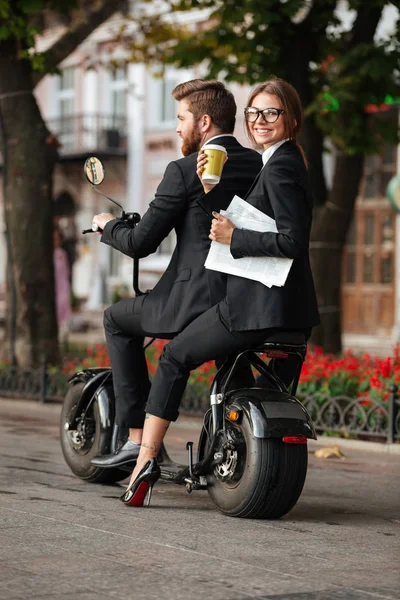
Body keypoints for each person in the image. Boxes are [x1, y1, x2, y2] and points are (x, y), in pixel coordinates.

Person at [119, 76, 320, 507]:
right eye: (254, 112)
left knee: (174, 356)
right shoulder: (276, 160)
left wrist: (234, 238)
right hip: (290, 311)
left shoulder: (282, 164)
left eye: (271, 112)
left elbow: (290, 240)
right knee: (235, 377)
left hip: (257, 307)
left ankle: (144, 461)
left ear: (291, 119)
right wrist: (212, 198)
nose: (260, 120)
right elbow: (248, 223)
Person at [90, 79, 262, 470]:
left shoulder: (184, 170)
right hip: (251, 298)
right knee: (231, 355)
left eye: (181, 118)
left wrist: (107, 225)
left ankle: (136, 439)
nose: (177, 128)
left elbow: (140, 243)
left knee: (116, 319)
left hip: (193, 301)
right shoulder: (260, 164)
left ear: (204, 123)